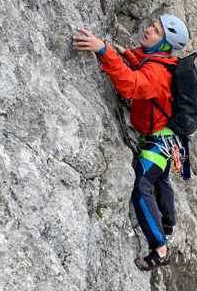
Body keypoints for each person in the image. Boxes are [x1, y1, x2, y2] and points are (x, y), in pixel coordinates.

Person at [72, 15, 189, 270]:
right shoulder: (164, 61)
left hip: (159, 141)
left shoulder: (158, 70)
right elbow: (149, 72)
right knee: (161, 177)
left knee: (141, 185)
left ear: (164, 44)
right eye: (153, 25)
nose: (149, 30)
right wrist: (128, 55)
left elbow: (133, 85)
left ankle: (160, 248)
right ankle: (168, 223)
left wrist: (105, 52)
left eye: (156, 31)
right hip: (170, 139)